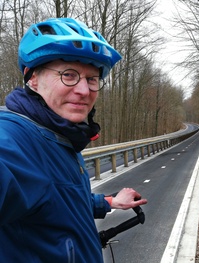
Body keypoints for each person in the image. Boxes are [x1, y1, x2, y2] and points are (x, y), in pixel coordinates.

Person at [0, 17, 147, 262]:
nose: (84, 90)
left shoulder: (60, 136)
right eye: (69, 75)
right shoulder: (16, 138)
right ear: (32, 77)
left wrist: (108, 202)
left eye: (91, 79)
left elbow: (59, 199)